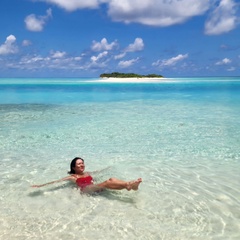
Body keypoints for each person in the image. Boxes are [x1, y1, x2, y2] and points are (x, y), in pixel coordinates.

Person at [31, 157, 142, 193]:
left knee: (111, 179)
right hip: (86, 191)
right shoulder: (72, 177)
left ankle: (130, 186)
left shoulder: (88, 173)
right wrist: (40, 186)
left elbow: (99, 172)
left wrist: (109, 167)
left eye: (82, 163)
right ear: (73, 167)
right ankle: (128, 185)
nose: (82, 165)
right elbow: (56, 182)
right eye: (79, 164)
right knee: (107, 182)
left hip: (96, 188)